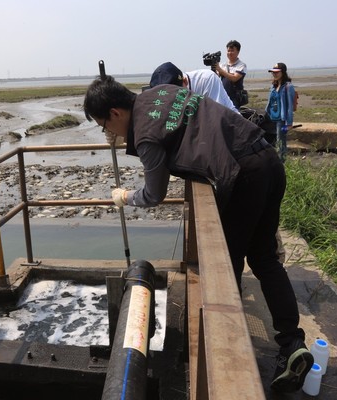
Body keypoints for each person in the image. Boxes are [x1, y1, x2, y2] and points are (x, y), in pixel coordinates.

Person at [84, 75, 313, 393]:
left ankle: (228, 361)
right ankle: (292, 342)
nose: (108, 132)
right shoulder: (162, 92)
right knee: (263, 258)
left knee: (224, 270)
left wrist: (125, 196)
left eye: (104, 125)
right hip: (268, 159)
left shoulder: (147, 137)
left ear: (115, 113)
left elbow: (154, 193)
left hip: (244, 174)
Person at [149, 62, 238, 112]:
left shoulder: (206, 79)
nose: (174, 101)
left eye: (177, 95)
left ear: (185, 81)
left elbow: (220, 116)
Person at [265, 62, 296, 162]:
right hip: (272, 118)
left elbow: (289, 107)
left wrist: (289, 123)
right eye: (273, 72)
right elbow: (270, 103)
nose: (274, 74)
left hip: (281, 120)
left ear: (283, 72)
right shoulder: (273, 86)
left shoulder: (288, 87)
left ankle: (281, 162)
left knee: (281, 141)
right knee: (273, 140)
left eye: (277, 72)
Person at [215, 40, 247, 109]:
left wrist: (220, 70)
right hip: (223, 96)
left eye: (232, 51)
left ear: (238, 52)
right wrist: (215, 69)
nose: (229, 53)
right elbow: (216, 78)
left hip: (234, 98)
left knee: (232, 117)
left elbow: (234, 78)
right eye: (228, 51)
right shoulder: (222, 65)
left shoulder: (241, 65)